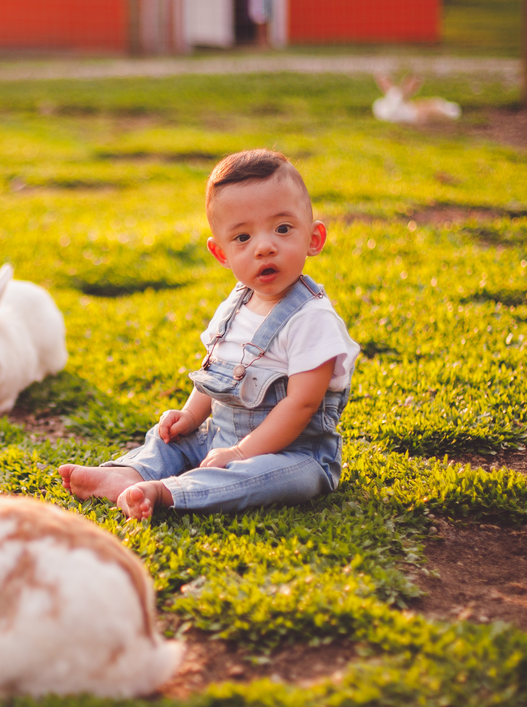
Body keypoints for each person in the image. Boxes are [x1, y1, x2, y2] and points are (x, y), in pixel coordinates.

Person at [59, 149, 360, 520]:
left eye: (283, 229)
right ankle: (130, 473)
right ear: (221, 253)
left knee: (261, 478)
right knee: (173, 437)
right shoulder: (235, 306)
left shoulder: (312, 319)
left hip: (294, 454)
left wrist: (240, 454)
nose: (264, 246)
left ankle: (167, 492)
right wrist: (189, 415)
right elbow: (214, 372)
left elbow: (301, 406)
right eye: (243, 237)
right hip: (220, 438)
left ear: (314, 238)